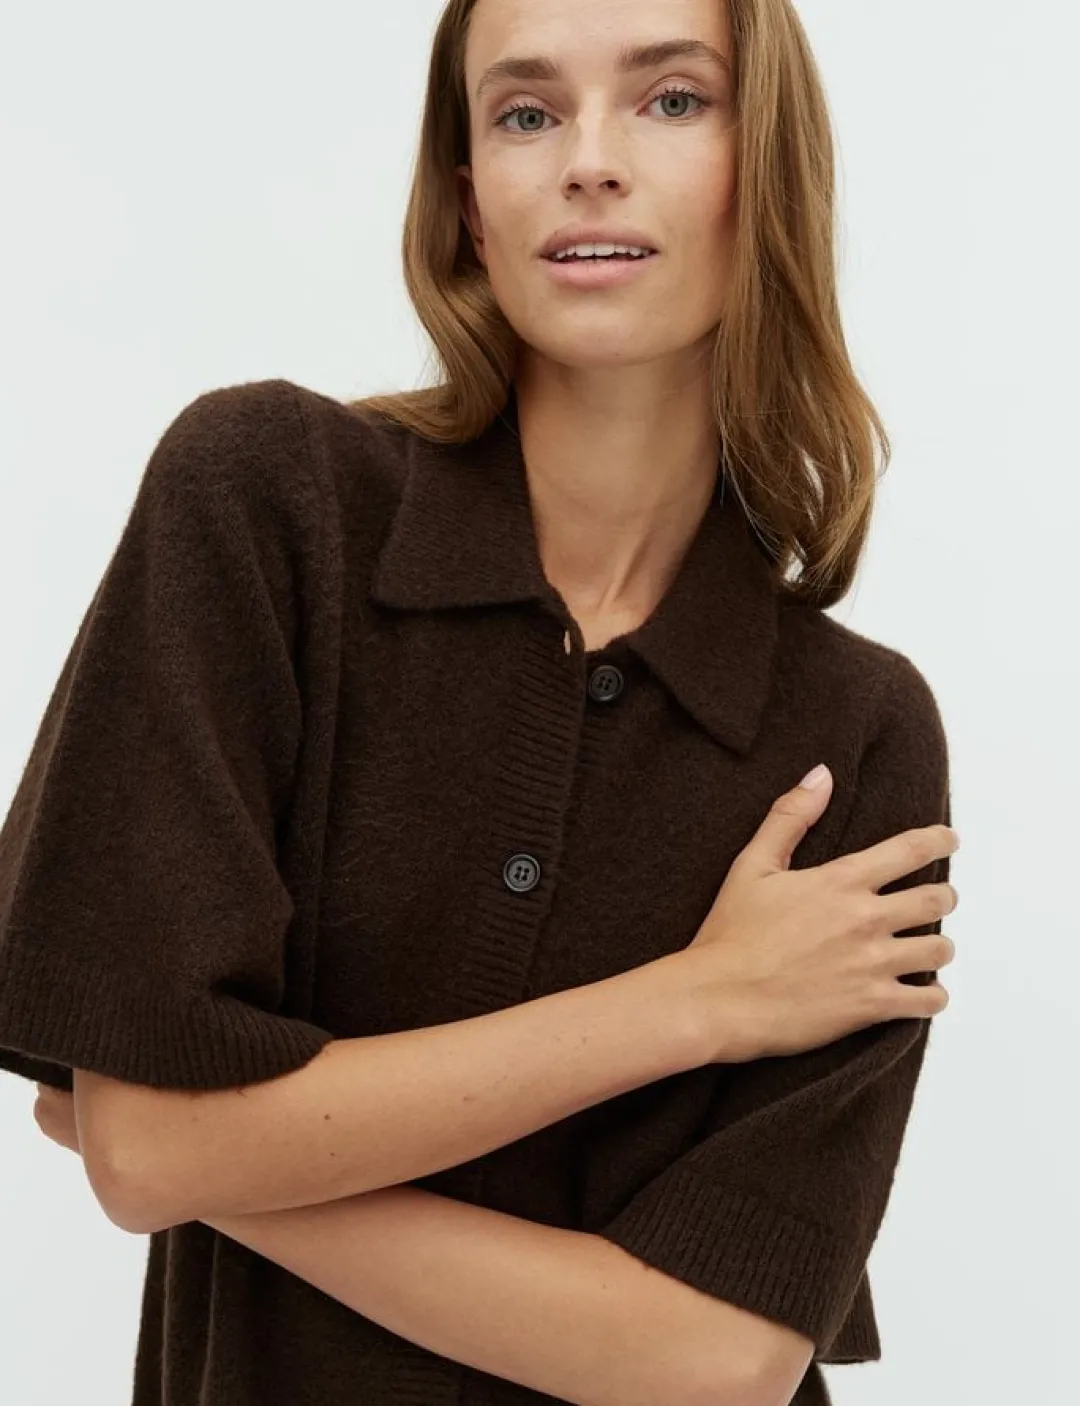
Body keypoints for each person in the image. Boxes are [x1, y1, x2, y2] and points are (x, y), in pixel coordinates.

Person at [0, 1, 959, 1404]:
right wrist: (697, 1003)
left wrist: (215, 1163)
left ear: (770, 168)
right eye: (525, 112)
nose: (590, 159)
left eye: (672, 99)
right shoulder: (267, 508)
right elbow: (149, 1148)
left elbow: (715, 1359)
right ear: (469, 205)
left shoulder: (857, 730)